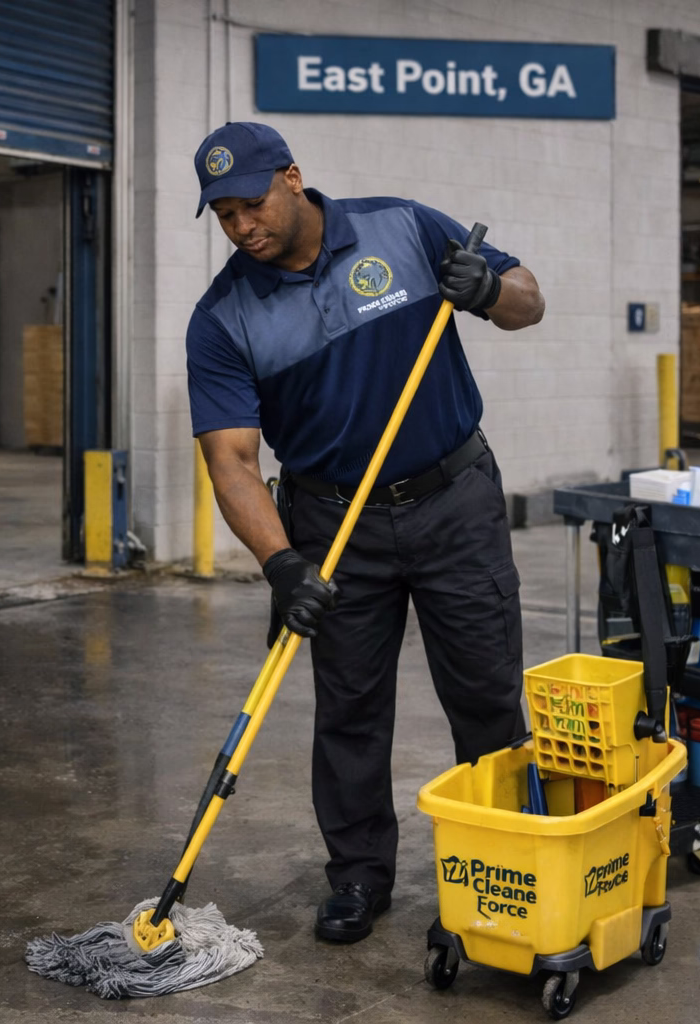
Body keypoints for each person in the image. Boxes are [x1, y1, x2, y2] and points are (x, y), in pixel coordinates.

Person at [185, 122, 545, 944]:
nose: (243, 227)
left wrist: (485, 289)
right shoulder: (223, 317)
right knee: (349, 709)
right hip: (332, 521)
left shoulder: (402, 227)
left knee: (487, 696)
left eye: (252, 204)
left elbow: (530, 299)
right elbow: (233, 462)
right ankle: (357, 876)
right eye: (224, 215)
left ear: (293, 177)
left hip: (454, 500)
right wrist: (281, 563)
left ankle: (503, 867)